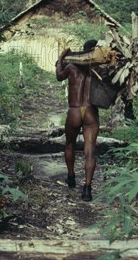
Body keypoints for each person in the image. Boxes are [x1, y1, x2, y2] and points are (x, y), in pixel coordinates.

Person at [55, 40, 99, 201]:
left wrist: (60, 60)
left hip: (74, 110)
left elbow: (59, 77)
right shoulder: (99, 69)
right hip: (90, 111)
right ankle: (87, 189)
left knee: (69, 144)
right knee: (90, 150)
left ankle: (71, 177)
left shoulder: (71, 67)